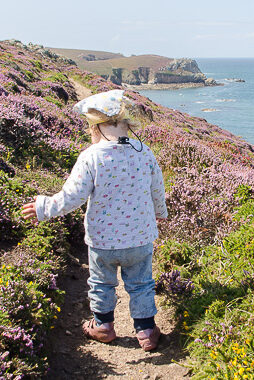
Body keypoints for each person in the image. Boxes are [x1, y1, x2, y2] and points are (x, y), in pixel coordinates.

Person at [21, 89, 168, 351]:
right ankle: (146, 331)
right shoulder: (145, 152)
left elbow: (72, 196)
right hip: (140, 237)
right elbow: (157, 188)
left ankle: (102, 325)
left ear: (97, 125)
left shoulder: (91, 156)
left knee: (101, 283)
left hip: (103, 240)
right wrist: (160, 212)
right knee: (141, 283)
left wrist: (43, 207)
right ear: (127, 124)